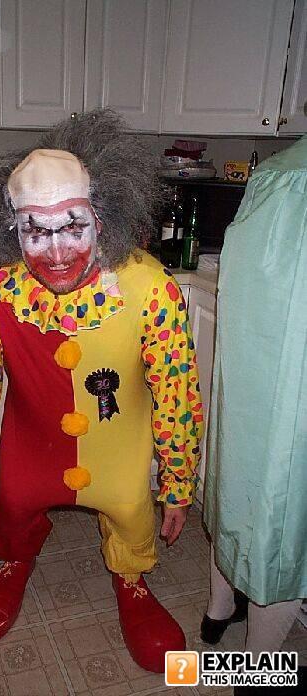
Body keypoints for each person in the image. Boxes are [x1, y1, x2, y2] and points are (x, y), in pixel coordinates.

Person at [0, 109, 203, 673]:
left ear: (101, 219)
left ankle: (131, 576)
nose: (57, 252)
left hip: (119, 450)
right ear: (10, 230)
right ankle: (15, 559)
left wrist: (178, 484)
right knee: (16, 506)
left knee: (130, 510)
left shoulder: (150, 288)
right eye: (35, 231)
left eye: (73, 226)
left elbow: (177, 394)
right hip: (29, 447)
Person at [201, 136, 307, 692]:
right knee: (288, 517)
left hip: (253, 365)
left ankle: (218, 611)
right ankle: (259, 667)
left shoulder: (275, 173)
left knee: (242, 482)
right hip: (298, 379)